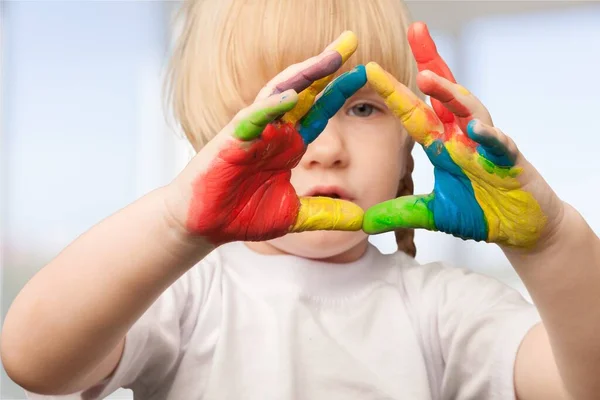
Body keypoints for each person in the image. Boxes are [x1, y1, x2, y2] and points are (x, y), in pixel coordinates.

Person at [2, 0, 599, 399]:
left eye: (362, 108)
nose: (325, 148)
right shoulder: (187, 294)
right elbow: (35, 361)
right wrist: (172, 221)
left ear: (406, 149)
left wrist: (551, 241)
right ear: (209, 152)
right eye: (285, 113)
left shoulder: (441, 309)